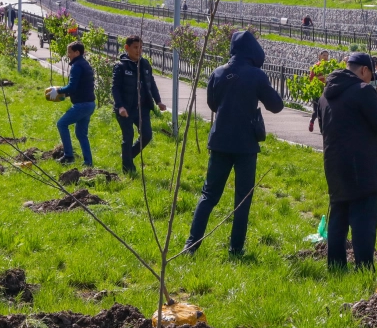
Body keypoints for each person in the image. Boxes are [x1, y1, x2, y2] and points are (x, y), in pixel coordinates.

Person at [184, 31, 284, 256]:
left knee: (209, 195)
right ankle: (235, 249)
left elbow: (212, 103)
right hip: (246, 144)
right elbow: (276, 105)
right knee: (242, 199)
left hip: (219, 140)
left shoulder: (219, 72)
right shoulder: (257, 75)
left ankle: (191, 245)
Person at [319, 52, 377, 270]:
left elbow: (325, 129)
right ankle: (363, 268)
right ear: (364, 70)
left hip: (333, 164)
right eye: (370, 74)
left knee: (338, 217)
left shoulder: (326, 95)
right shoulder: (363, 91)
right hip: (360, 166)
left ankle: (335, 267)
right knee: (363, 219)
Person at [111, 35, 165, 174]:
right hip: (125, 109)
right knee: (128, 137)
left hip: (142, 108)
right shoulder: (121, 66)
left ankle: (127, 156)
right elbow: (115, 88)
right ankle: (128, 169)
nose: (139, 50)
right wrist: (120, 106)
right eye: (135, 47)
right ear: (127, 48)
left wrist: (158, 101)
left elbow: (151, 84)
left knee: (147, 135)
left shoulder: (145, 64)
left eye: (141, 47)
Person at [53, 41, 96, 166]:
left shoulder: (77, 66)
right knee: (81, 134)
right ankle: (88, 162)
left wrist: (57, 91)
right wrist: (64, 94)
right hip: (90, 104)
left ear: (77, 52)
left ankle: (68, 156)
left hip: (82, 105)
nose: (68, 55)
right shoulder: (85, 64)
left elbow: (72, 87)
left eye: (70, 52)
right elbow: (80, 86)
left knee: (61, 124)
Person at [308, 50, 331, 133]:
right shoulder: (316, 66)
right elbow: (311, 78)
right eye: (324, 55)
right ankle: (312, 121)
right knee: (316, 110)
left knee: (324, 110)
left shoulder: (329, 67)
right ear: (320, 56)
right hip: (317, 91)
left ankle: (322, 129)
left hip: (326, 90)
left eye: (327, 56)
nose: (325, 57)